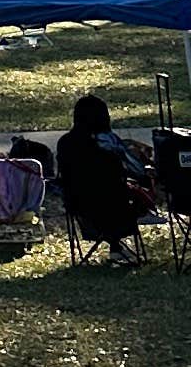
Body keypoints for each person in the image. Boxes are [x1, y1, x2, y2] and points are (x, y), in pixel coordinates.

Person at [54, 93, 154, 263]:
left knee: (104, 194)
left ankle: (116, 246)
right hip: (116, 207)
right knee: (132, 190)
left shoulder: (65, 143)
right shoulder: (108, 143)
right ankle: (118, 246)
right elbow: (135, 170)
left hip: (79, 207)